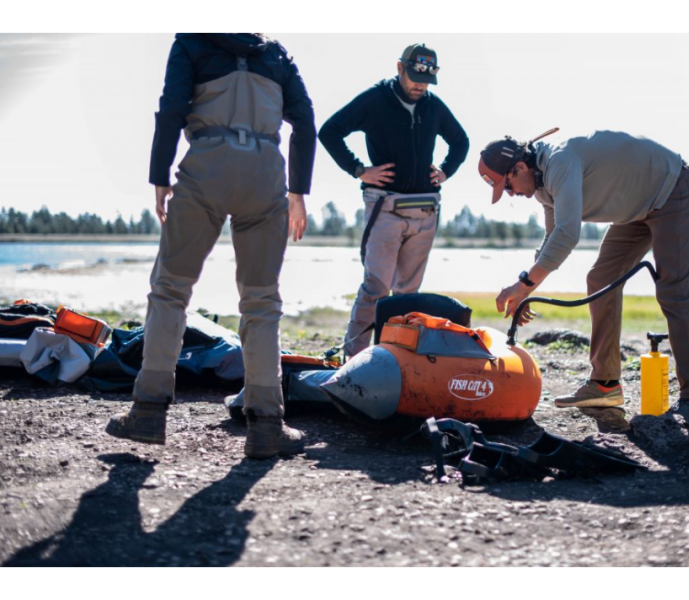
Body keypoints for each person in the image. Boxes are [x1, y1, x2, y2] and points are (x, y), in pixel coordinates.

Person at [106, 32, 317, 457]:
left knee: (170, 289)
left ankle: (148, 410)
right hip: (264, 173)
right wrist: (298, 192)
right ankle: (266, 424)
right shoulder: (275, 53)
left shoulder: (190, 42)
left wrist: (160, 176)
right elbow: (306, 121)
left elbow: (171, 110)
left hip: (206, 167)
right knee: (260, 301)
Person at [479, 130, 689, 426]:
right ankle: (605, 386)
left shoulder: (559, 162)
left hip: (672, 188)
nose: (511, 194)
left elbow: (568, 234)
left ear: (519, 168)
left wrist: (523, 285)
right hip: (637, 208)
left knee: (674, 291)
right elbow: (553, 237)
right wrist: (526, 289)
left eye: (508, 186)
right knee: (601, 279)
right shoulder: (540, 185)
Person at [318, 43, 469, 357]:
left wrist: (445, 171)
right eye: (414, 76)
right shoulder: (375, 100)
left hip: (425, 208)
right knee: (375, 288)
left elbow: (461, 141)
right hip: (384, 205)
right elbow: (329, 131)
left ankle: (396, 359)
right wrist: (359, 169)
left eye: (426, 80)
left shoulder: (434, 106)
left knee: (408, 295)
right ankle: (355, 357)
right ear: (400, 68)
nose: (420, 85)